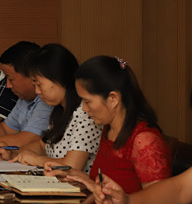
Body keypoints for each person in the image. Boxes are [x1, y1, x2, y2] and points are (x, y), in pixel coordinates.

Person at [61, 55, 170, 194]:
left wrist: (93, 186)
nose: (84, 108)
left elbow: (157, 201)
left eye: (87, 101)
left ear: (113, 99)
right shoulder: (108, 130)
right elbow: (109, 187)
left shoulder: (145, 141)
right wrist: (85, 181)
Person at [0, 43, 101, 172]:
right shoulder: (59, 111)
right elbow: (42, 146)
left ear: (58, 77)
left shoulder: (87, 113)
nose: (37, 91)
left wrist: (36, 160)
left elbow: (71, 166)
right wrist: (14, 153)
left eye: (39, 84)